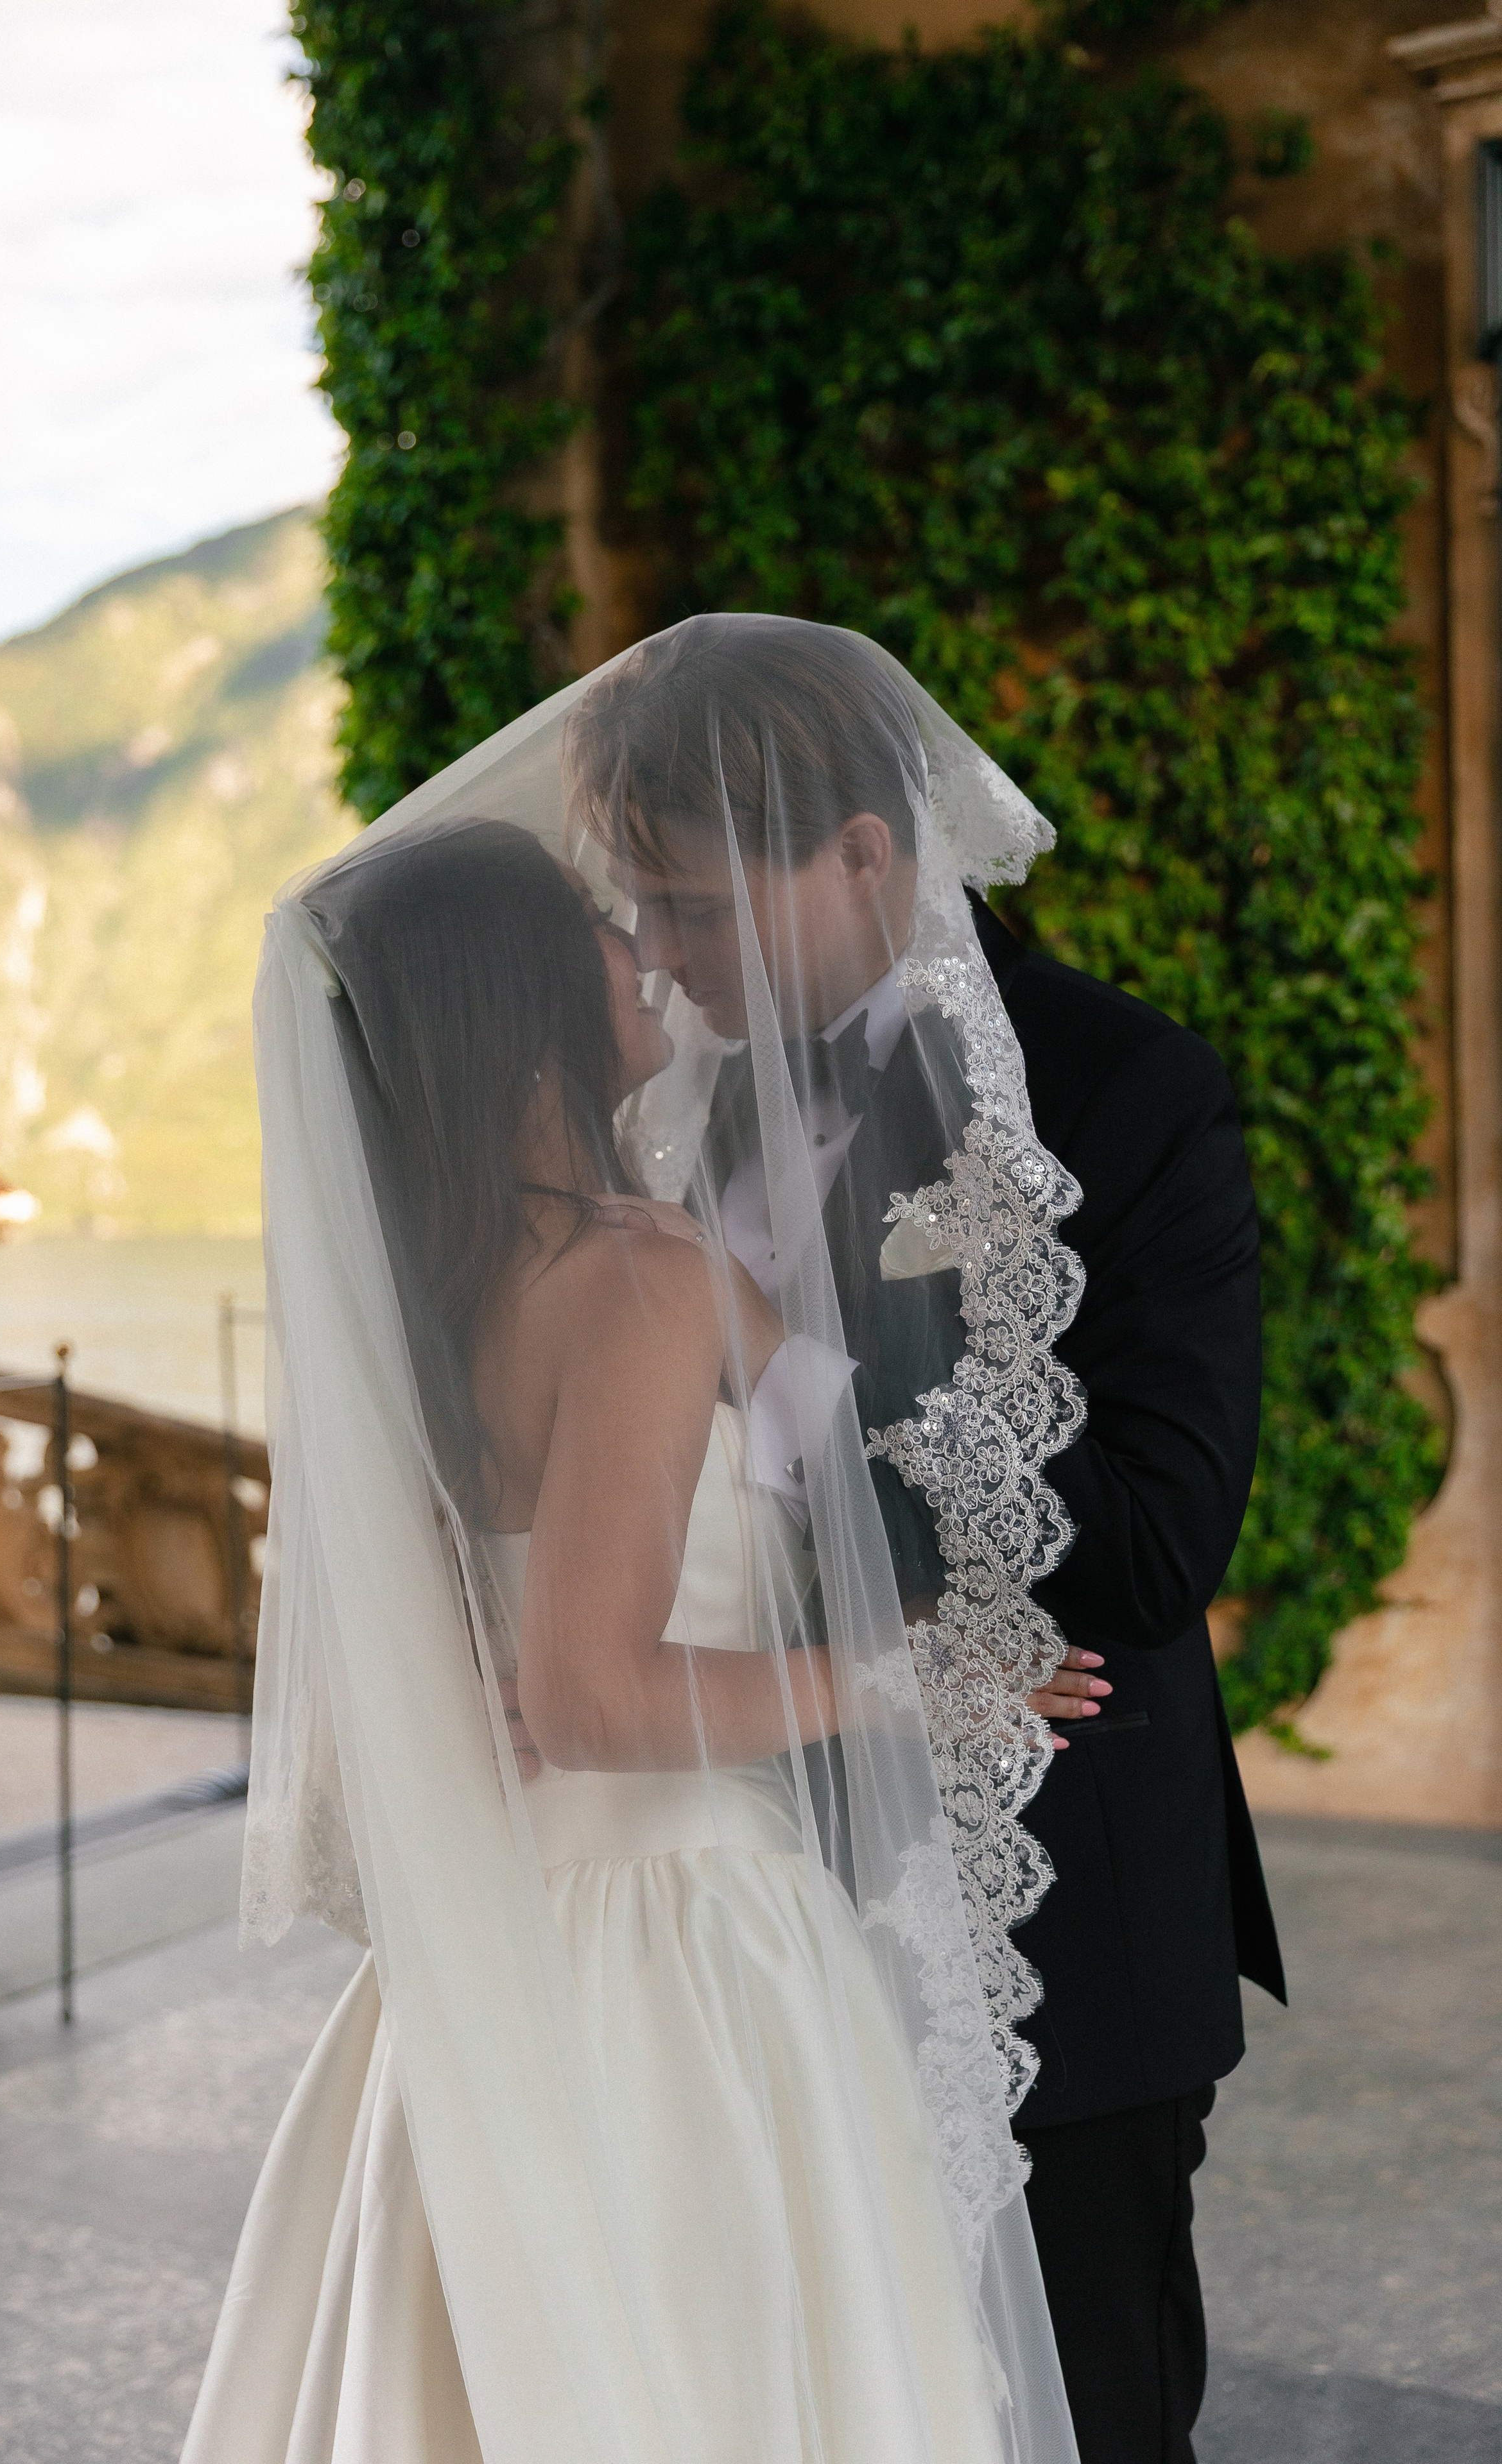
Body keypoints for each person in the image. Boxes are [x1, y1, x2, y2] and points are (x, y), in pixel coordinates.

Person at [183, 771, 1081, 2461]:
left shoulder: (443, 1290)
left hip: (500, 1943)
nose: (649, 957)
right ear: (522, 1003)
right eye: (605, 932)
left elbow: (836, 1440)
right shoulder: (636, 1277)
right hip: (668, 1952)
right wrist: (910, 1679)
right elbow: (591, 1696)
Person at [568, 613, 1286, 2464]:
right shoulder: (700, 1109)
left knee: (1088, 2419)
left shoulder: (1125, 1096)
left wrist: (781, 1370)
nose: (661, 958)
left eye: (697, 908)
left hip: (1063, 1922)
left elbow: (1147, 1549)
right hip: (767, 1919)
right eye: (637, 913)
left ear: (868, 857)